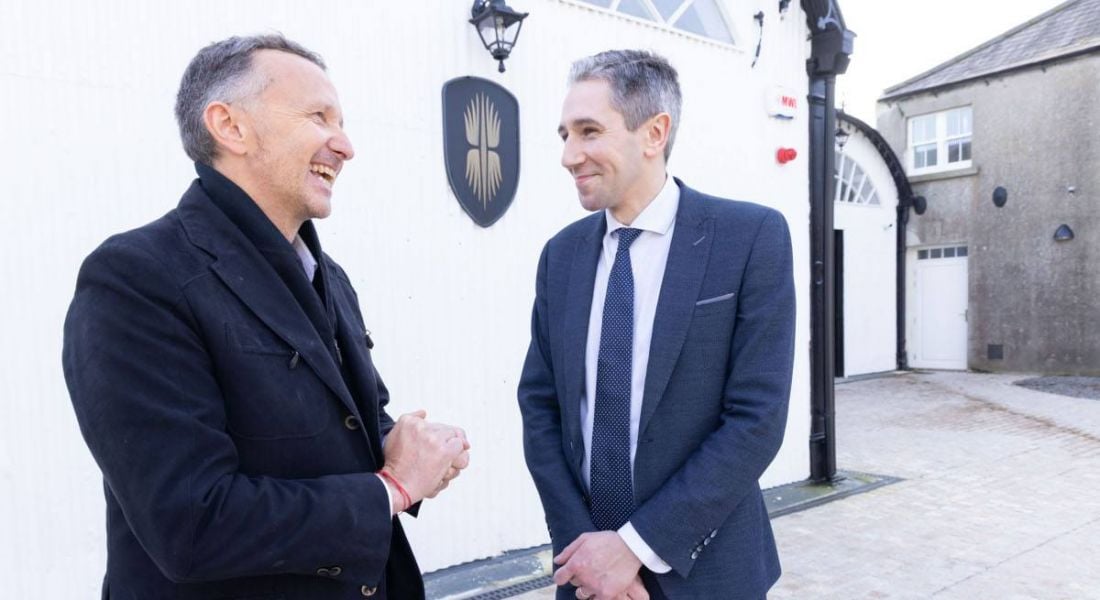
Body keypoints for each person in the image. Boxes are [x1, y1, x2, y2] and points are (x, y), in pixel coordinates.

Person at [62, 34, 469, 599]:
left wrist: (412, 449)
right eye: (318, 116)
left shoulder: (331, 277)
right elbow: (190, 523)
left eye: (343, 122)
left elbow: (349, 427)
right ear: (230, 127)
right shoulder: (137, 277)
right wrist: (392, 488)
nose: (345, 144)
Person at [517, 50, 796, 600]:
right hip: (590, 575)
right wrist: (590, 552)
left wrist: (637, 548)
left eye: (589, 131)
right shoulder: (562, 257)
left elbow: (756, 420)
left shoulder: (749, 238)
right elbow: (541, 406)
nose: (569, 155)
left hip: (710, 575)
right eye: (564, 135)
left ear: (654, 133)